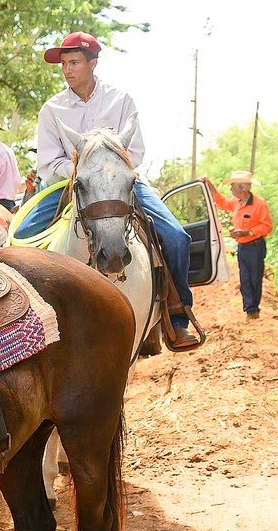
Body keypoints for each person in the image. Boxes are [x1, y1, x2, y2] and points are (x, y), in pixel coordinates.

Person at [15, 32, 203, 352]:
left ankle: (177, 314)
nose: (67, 70)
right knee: (19, 238)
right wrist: (80, 171)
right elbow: (47, 162)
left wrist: (109, 171)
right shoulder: (52, 109)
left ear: (93, 63)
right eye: (64, 64)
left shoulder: (121, 100)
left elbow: (136, 152)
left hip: (120, 183)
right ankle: (19, 323)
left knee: (175, 236)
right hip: (68, 184)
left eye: (74, 62)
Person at [205, 170, 272, 318]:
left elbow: (267, 226)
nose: (230, 189)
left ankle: (253, 310)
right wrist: (209, 184)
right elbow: (222, 202)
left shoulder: (259, 204)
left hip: (255, 246)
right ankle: (250, 310)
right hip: (242, 246)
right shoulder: (236, 203)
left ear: (241, 188)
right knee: (245, 279)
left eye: (233, 186)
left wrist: (247, 232)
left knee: (255, 278)